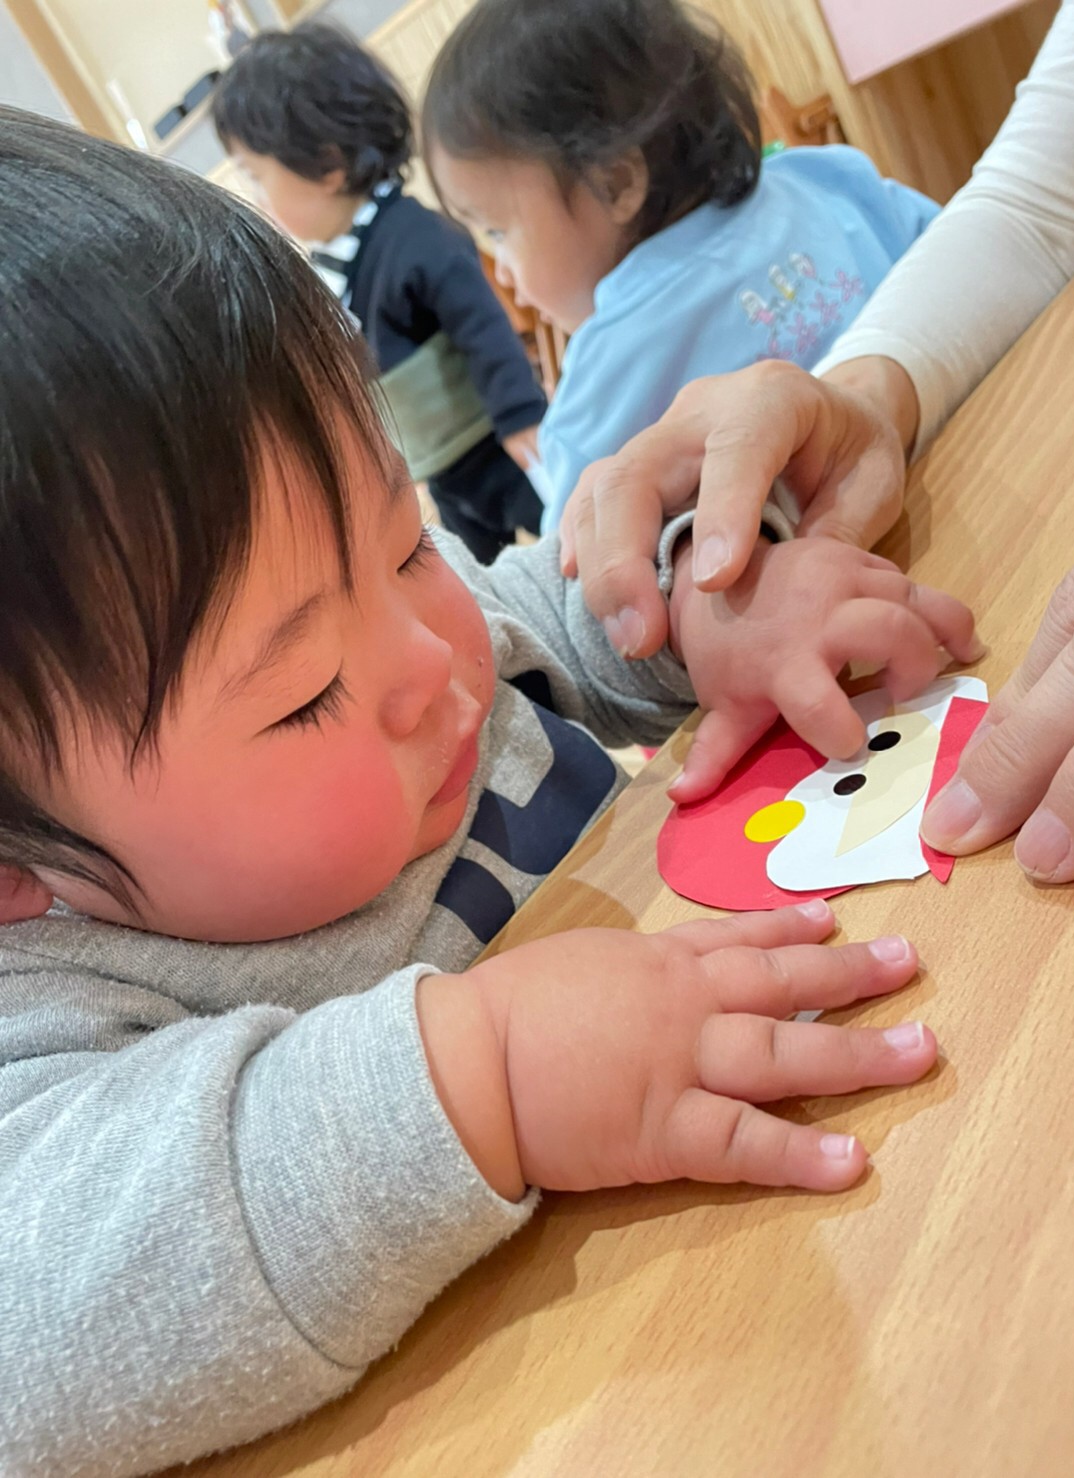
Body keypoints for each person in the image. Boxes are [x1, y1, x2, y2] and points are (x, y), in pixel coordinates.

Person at [0, 110, 984, 1473]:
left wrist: (702, 603)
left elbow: (536, 610)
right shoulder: (57, 1012)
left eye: (405, 544)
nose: (430, 659)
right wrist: (487, 1071)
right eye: (303, 693)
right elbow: (39, 1325)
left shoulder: (416, 639)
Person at [560, 0, 1074, 882]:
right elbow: (1040, 193)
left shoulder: (595, 368)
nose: (507, 277)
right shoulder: (834, 173)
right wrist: (860, 402)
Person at [421, 0, 939, 530]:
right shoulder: (826, 178)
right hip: (966, 470)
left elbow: (578, 562)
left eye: (497, 232)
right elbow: (953, 257)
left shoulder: (606, 378)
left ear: (615, 183)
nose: (502, 273)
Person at [212, 24, 546, 564]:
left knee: (555, 529)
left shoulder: (413, 237)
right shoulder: (329, 261)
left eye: (257, 176)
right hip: (439, 463)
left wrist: (520, 414)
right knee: (474, 567)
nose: (256, 197)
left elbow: (483, 325)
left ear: (327, 164)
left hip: (493, 444)